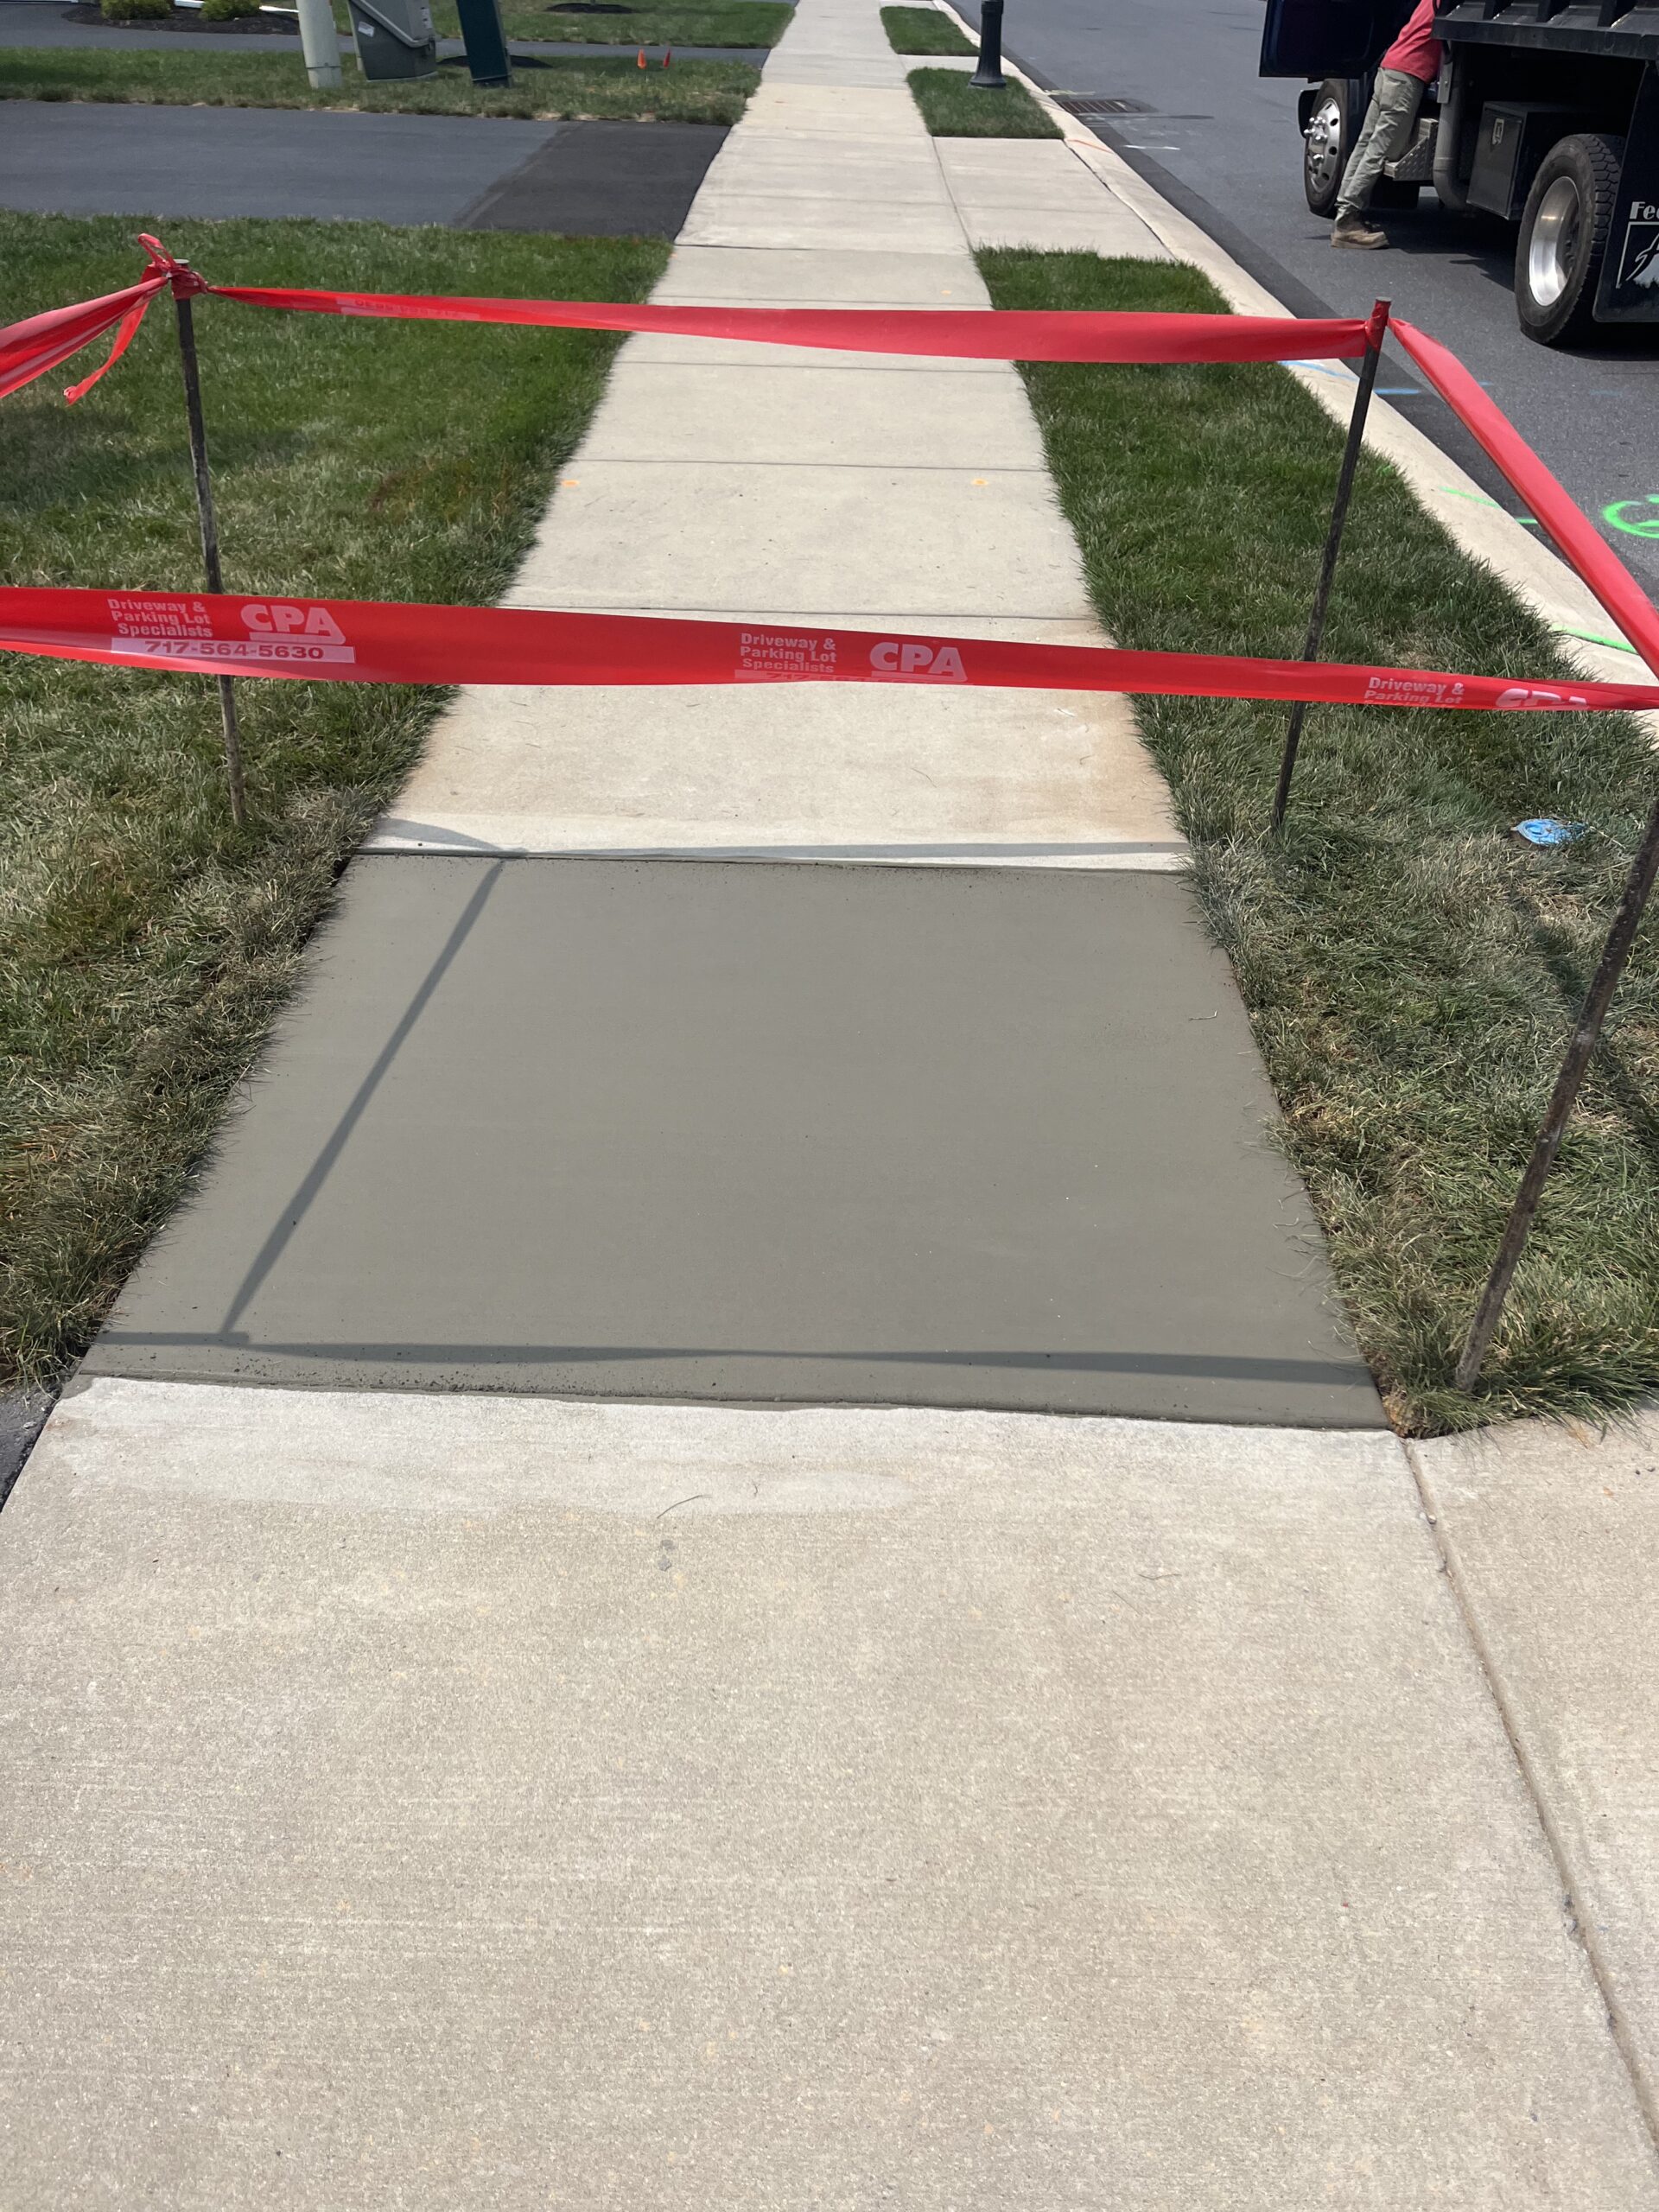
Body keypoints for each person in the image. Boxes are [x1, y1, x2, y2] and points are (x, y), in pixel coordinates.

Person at [1332, 0, 1444, 247]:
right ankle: (1347, 223)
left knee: (1365, 145)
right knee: (1381, 151)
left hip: (1389, 68)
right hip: (1406, 77)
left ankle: (1345, 210)